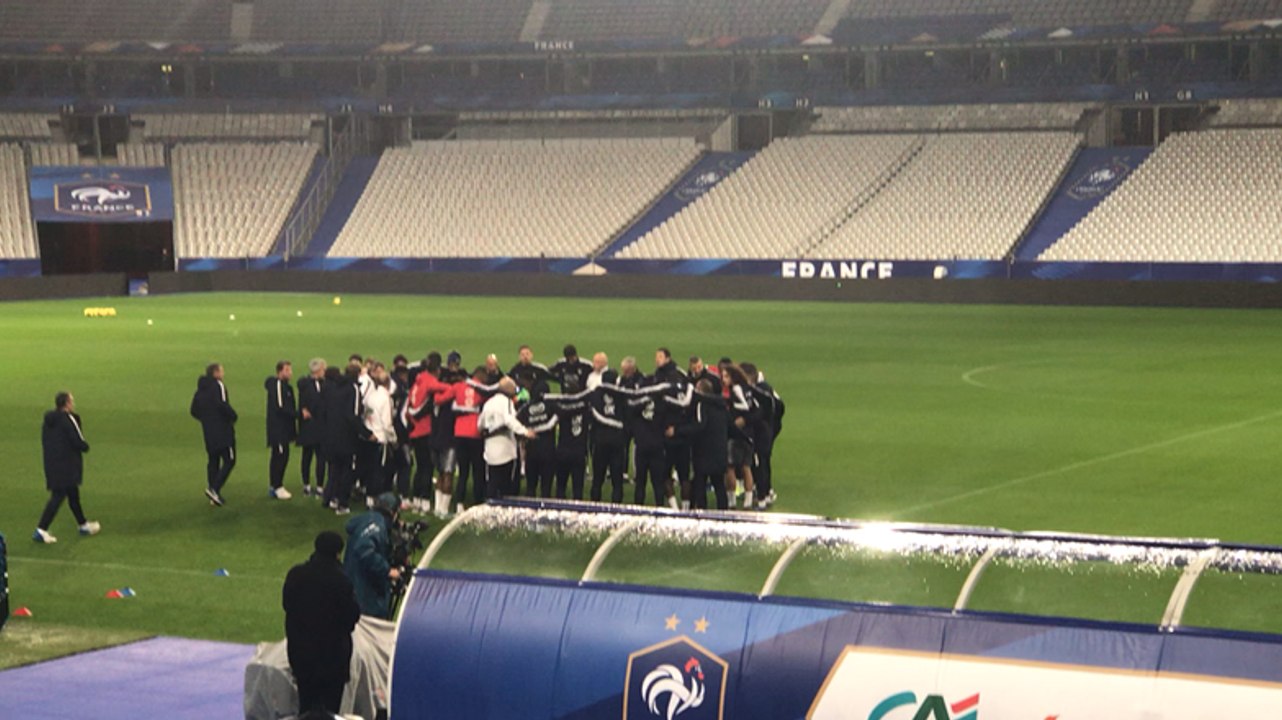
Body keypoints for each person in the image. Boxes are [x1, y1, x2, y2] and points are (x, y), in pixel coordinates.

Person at [282, 531, 361, 717]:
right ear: (338, 553)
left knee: (306, 708)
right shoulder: (341, 581)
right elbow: (351, 617)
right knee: (330, 712)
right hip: (333, 659)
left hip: (302, 656)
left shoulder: (296, 575)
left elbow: (287, 605)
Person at [34, 392, 99, 543]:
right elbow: (78, 441)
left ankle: (83, 524)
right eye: (72, 401)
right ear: (67, 403)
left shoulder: (48, 421)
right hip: (66, 465)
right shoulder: (68, 419)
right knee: (58, 496)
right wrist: (85, 447)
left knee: (73, 494)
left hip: (52, 463)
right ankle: (41, 529)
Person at [669, 378, 730, 510]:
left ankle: (702, 513)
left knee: (700, 484)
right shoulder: (721, 406)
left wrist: (678, 431)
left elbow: (699, 426)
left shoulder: (701, 405)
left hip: (704, 452)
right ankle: (724, 514)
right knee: (719, 485)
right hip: (720, 451)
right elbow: (730, 427)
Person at [343, 492, 403, 619]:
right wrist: (387, 570)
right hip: (366, 592)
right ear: (393, 512)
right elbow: (365, 550)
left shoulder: (366, 519)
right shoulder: (378, 526)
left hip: (351, 582)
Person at [324, 362, 371, 516]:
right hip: (347, 438)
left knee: (335, 469)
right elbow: (353, 415)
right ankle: (342, 504)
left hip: (331, 435)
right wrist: (367, 433)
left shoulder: (335, 387)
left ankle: (331, 498)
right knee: (348, 471)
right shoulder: (353, 389)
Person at [478, 377, 535, 499]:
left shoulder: (488, 403)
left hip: (490, 452)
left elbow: (480, 424)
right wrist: (525, 431)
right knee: (507, 486)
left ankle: (490, 510)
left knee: (492, 483)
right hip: (506, 451)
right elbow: (509, 420)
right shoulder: (507, 403)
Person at [191, 363, 237, 507]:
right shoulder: (218, 385)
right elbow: (222, 404)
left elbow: (193, 410)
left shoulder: (200, 390)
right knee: (230, 460)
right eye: (221, 371)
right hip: (223, 431)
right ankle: (214, 489)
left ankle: (213, 496)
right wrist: (233, 416)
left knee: (213, 460)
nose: (223, 373)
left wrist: (207, 420)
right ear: (215, 373)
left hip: (208, 431)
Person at [406, 353, 447, 513]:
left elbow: (409, 408)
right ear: (437, 369)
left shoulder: (416, 384)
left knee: (420, 466)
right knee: (427, 467)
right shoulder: (430, 382)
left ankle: (416, 499)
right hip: (425, 429)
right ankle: (424, 499)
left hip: (415, 431)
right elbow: (447, 389)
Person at [588, 369, 628, 503]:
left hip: (600, 440)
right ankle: (616, 507)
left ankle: (594, 506)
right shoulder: (621, 394)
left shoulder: (594, 394)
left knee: (597, 478)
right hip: (617, 440)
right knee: (617, 479)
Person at [358, 363, 396, 499]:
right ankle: (375, 498)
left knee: (369, 469)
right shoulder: (385, 399)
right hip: (380, 438)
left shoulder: (371, 396)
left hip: (368, 437)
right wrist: (393, 439)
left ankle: (369, 497)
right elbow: (387, 423)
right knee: (379, 470)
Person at [723, 363, 758, 509]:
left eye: (726, 376)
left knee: (730, 467)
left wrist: (730, 404)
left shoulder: (736, 389)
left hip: (737, 433)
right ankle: (748, 501)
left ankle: (731, 501)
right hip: (749, 433)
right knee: (746, 467)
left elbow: (745, 406)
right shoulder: (748, 388)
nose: (724, 379)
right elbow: (755, 406)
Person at [516, 380, 558, 497]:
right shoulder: (552, 405)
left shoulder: (525, 408)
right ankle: (545, 512)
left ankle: (530, 513)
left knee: (531, 487)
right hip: (548, 451)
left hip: (532, 451)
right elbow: (556, 419)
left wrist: (527, 431)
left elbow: (516, 423)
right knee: (546, 489)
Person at [265, 361, 297, 500]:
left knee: (281, 456)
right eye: (287, 370)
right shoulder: (278, 385)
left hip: (283, 429)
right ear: (280, 371)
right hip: (278, 429)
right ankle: (277, 486)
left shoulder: (286, 387)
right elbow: (280, 407)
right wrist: (299, 414)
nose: (290, 372)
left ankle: (275, 486)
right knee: (280, 457)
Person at [296, 359, 328, 498]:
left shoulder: (325, 384)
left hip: (321, 426)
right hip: (309, 426)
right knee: (307, 456)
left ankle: (320, 486)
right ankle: (306, 485)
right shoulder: (305, 384)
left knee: (321, 457)